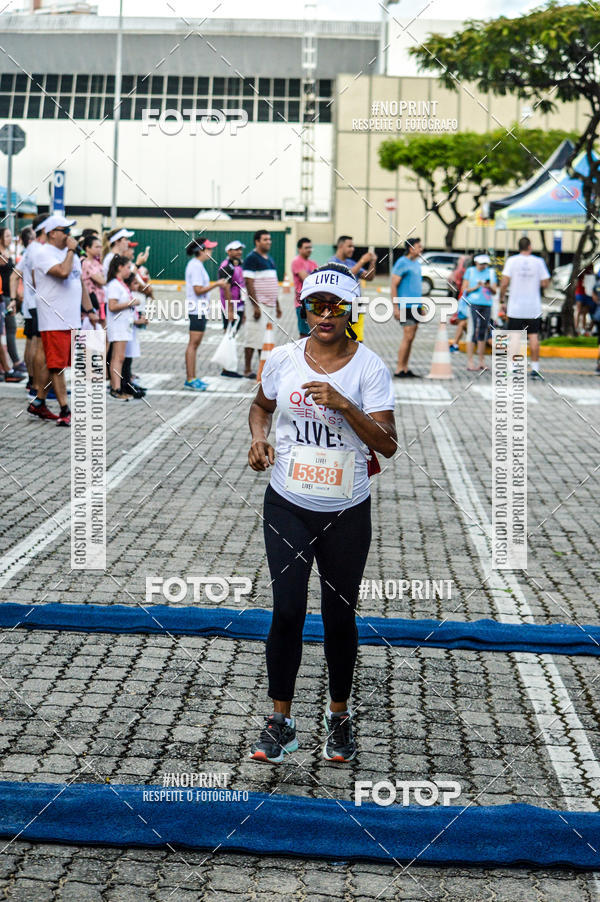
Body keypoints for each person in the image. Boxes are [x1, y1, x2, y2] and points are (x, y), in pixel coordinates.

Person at [247, 262, 397, 764]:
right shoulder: (284, 358)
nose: (325, 314)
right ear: (304, 308)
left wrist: (345, 405)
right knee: (287, 609)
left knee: (339, 615)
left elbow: (389, 444)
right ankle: (280, 722)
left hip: (346, 511)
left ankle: (338, 716)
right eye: (316, 305)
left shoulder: (370, 367)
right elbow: (261, 406)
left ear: (351, 310)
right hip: (288, 501)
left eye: (336, 306)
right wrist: (259, 439)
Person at [31, 214, 96, 425]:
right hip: (54, 318)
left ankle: (39, 402)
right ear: (52, 233)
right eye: (65, 230)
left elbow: (80, 284)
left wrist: (90, 309)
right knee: (57, 366)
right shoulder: (43, 253)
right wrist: (70, 250)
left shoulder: (73, 255)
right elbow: (63, 272)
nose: (69, 235)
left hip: (71, 319)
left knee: (55, 365)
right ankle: (64, 409)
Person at [499, 237, 550, 381]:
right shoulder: (538, 262)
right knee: (533, 336)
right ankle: (535, 368)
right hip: (533, 306)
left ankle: (512, 368)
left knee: (514, 337)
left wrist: (502, 298)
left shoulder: (511, 261)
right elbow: (545, 283)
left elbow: (504, 283)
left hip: (516, 306)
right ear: (530, 246)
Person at [184, 237, 226, 391]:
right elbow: (198, 290)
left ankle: (192, 377)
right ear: (200, 250)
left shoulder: (198, 265)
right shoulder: (195, 266)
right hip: (196, 310)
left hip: (200, 309)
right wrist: (217, 284)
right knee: (193, 345)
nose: (211, 251)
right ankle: (190, 378)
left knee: (195, 345)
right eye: (208, 248)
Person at [242, 230, 282, 378]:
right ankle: (247, 369)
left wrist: (277, 304)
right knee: (253, 336)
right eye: (265, 239)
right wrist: (255, 305)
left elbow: (273, 282)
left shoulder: (270, 259)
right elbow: (249, 282)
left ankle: (263, 367)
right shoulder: (252, 258)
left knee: (266, 338)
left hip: (270, 305)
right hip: (259, 305)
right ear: (257, 241)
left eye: (269, 239)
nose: (269, 242)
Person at [329, 235, 376, 343]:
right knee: (341, 342)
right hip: (341, 306)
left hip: (356, 305)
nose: (353, 249)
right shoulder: (332, 262)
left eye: (353, 246)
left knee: (357, 341)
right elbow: (346, 275)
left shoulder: (351, 263)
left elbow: (369, 277)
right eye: (349, 246)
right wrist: (362, 260)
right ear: (340, 246)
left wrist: (372, 262)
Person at [106, 255, 138, 400]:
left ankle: (117, 386)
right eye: (127, 267)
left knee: (119, 357)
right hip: (117, 325)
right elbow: (112, 306)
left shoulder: (121, 284)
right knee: (117, 358)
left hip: (124, 325)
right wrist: (130, 304)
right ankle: (116, 388)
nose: (129, 270)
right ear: (120, 268)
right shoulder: (114, 284)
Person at [392, 237, 424, 377]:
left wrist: (421, 305)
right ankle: (399, 369)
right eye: (419, 247)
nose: (421, 249)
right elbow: (394, 284)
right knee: (408, 335)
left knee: (412, 337)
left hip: (415, 305)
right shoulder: (402, 263)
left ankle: (405, 367)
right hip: (405, 306)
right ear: (411, 248)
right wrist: (396, 307)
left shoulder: (417, 264)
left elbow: (416, 287)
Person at [463, 253, 497, 371]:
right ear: (476, 262)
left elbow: (494, 291)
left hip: (486, 304)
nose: (483, 266)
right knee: (472, 332)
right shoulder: (470, 271)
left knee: (483, 332)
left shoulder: (491, 272)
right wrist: (476, 287)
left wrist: (488, 286)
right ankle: (470, 361)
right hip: (473, 304)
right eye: (481, 264)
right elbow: (465, 289)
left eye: (485, 264)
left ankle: (481, 361)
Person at [0, 227, 25, 381]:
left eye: (11, 235)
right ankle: (12, 364)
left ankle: (11, 364)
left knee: (10, 329)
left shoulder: (7, 252)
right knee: (8, 330)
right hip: (5, 297)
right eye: (7, 235)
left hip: (8, 296)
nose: (10, 238)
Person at [218, 240, 246, 377]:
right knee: (229, 335)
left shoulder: (239, 265)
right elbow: (226, 288)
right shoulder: (226, 267)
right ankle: (226, 368)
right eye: (236, 249)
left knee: (232, 335)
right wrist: (229, 309)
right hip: (230, 305)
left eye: (240, 249)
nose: (239, 252)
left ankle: (228, 366)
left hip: (239, 304)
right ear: (229, 252)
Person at [291, 237, 318, 337]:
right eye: (306, 247)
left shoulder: (313, 263)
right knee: (304, 334)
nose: (309, 250)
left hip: (313, 302)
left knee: (313, 333)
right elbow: (307, 280)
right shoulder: (297, 261)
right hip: (302, 303)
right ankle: (301, 352)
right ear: (299, 249)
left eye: (310, 247)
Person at [81, 234, 107, 326]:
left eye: (100, 247)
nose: (99, 249)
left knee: (101, 333)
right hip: (91, 303)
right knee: (91, 334)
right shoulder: (85, 262)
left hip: (100, 301)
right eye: (97, 247)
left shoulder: (96, 262)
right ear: (87, 248)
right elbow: (102, 281)